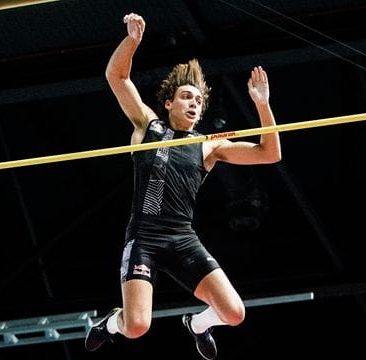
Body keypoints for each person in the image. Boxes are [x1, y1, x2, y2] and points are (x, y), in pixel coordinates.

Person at [84, 12, 281, 360]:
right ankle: (110, 323)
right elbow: (116, 76)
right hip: (144, 237)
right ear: (169, 102)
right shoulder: (147, 126)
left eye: (199, 101)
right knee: (136, 327)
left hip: (181, 238)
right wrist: (132, 42)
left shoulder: (208, 145)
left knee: (235, 313)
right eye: (187, 97)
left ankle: (198, 324)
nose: (194, 104)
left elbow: (269, 154)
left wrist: (263, 106)